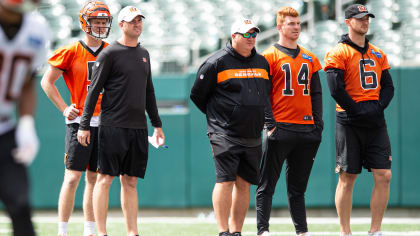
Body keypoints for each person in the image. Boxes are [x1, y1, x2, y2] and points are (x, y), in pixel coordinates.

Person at [77, 5, 164, 236]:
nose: (137, 24)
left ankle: (132, 232)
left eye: (139, 20)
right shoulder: (109, 54)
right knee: (105, 179)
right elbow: (93, 92)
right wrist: (84, 125)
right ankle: (102, 232)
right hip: (112, 127)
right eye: (132, 20)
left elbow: (149, 92)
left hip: (137, 128)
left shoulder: (144, 54)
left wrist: (157, 123)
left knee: (131, 182)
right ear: (121, 25)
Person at [190, 18, 272, 236]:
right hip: (223, 132)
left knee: (244, 183)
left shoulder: (262, 62)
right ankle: (223, 230)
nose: (251, 38)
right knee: (225, 179)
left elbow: (265, 95)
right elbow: (197, 95)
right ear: (233, 36)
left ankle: (236, 231)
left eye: (254, 34)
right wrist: (219, 118)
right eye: (246, 34)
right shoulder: (215, 62)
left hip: (252, 132)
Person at [40, 1, 112, 235]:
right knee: (72, 178)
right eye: (96, 22)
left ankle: (89, 231)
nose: (100, 26)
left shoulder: (112, 51)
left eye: (103, 22)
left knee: (94, 178)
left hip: (105, 122)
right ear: (84, 23)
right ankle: (62, 230)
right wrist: (63, 108)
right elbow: (46, 81)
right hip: (80, 122)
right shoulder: (71, 51)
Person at [324, 4, 394, 236]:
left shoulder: (377, 53)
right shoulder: (338, 52)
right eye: (360, 18)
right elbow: (335, 88)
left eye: (367, 18)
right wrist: (356, 110)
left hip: (375, 120)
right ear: (348, 21)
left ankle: (375, 230)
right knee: (348, 176)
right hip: (349, 119)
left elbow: (388, 86)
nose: (365, 22)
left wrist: (378, 107)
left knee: (384, 175)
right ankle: (345, 231)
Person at [255, 6, 323, 236]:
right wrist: (270, 124)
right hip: (280, 126)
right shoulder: (268, 56)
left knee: (298, 189)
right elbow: (262, 94)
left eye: (297, 23)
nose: (295, 27)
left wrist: (318, 125)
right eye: (290, 23)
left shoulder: (310, 58)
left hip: (306, 129)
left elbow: (316, 93)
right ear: (279, 26)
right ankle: (263, 230)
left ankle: (302, 231)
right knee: (267, 184)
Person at [0, 0, 50, 235]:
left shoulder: (37, 28)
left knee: (20, 205)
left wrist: (27, 123)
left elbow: (28, 81)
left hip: (5, 130)